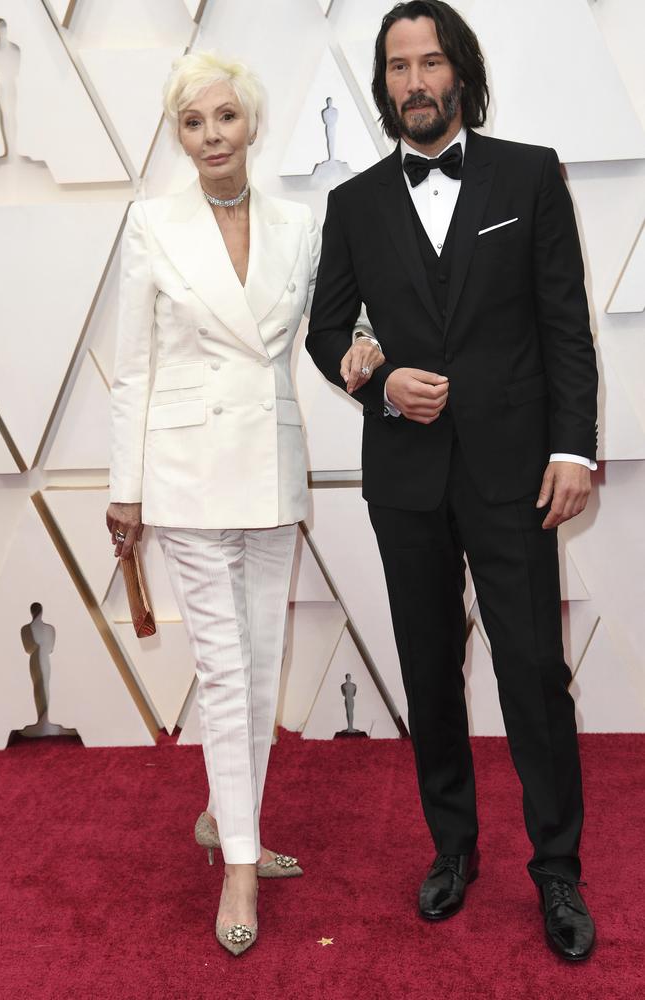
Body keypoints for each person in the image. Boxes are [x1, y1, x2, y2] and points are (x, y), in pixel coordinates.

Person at [307, 1, 598, 962]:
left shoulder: (529, 171)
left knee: (534, 678)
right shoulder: (353, 203)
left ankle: (557, 870)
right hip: (406, 482)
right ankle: (452, 848)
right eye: (398, 67)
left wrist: (574, 450)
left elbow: (564, 326)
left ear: (460, 72)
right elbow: (327, 332)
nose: (416, 82)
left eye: (431, 62)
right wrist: (382, 383)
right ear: (384, 85)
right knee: (431, 678)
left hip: (520, 475)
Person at [106, 51, 369, 956]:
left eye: (224, 118)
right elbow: (132, 367)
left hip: (270, 464)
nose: (211, 136)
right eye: (192, 123)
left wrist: (368, 349)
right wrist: (124, 491)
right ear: (177, 137)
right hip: (183, 473)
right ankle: (243, 868)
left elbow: (334, 325)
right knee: (222, 673)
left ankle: (228, 821)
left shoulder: (302, 224)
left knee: (261, 663)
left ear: (251, 125)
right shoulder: (151, 224)